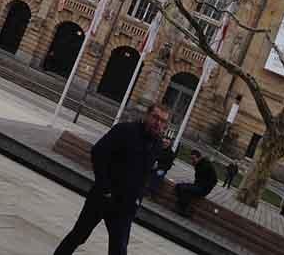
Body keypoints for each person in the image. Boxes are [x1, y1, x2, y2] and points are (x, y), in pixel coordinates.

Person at [53, 104, 169, 255]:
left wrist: (138, 198)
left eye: (162, 121)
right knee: (78, 235)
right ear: (147, 115)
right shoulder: (125, 130)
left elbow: (147, 173)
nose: (158, 123)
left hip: (125, 206)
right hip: (103, 197)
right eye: (155, 117)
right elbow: (98, 152)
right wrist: (104, 186)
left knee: (119, 250)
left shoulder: (157, 144)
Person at [174, 151, 218, 218]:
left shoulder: (206, 165)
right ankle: (181, 208)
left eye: (193, 159)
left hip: (204, 189)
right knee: (179, 186)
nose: (192, 161)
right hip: (198, 186)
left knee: (185, 189)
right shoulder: (199, 164)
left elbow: (214, 180)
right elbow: (198, 178)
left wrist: (205, 186)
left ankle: (184, 210)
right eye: (191, 158)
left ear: (199, 157)